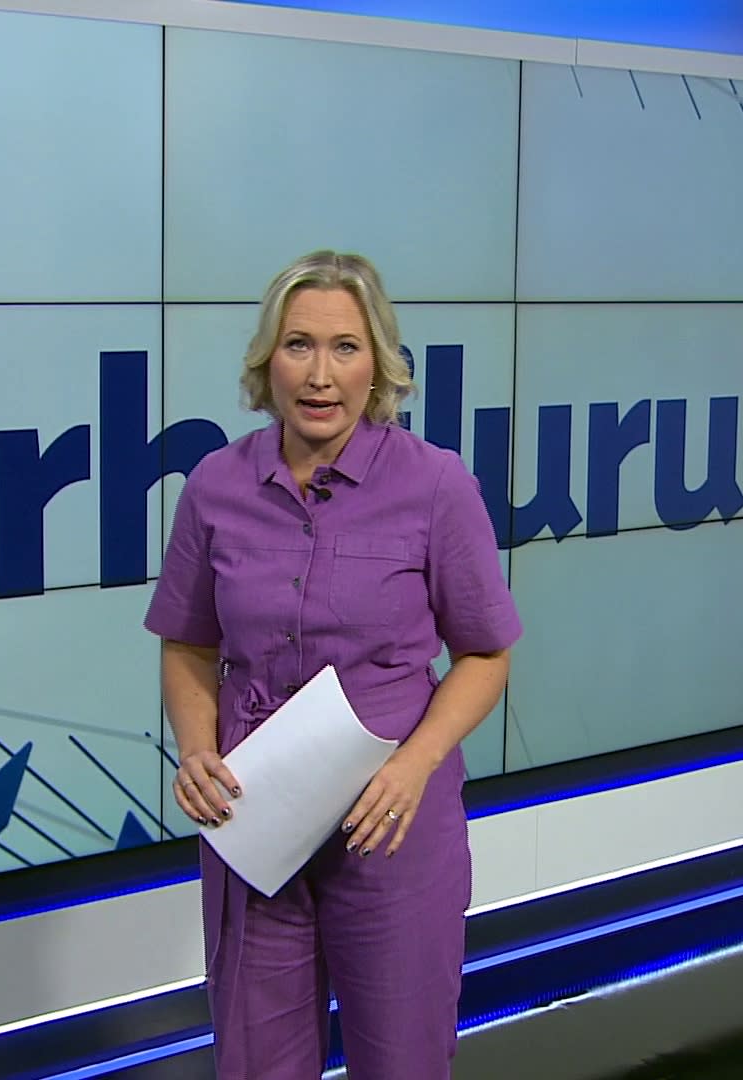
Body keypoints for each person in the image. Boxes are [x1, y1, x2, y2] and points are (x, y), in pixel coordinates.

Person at [143, 250, 521, 1078]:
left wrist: (414, 766)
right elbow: (189, 642)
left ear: (377, 365)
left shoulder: (435, 485)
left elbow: (486, 653)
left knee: (401, 1058)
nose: (320, 375)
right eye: (299, 346)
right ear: (267, 362)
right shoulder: (215, 486)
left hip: (391, 820)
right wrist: (197, 750)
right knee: (257, 1060)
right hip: (256, 812)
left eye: (345, 348)